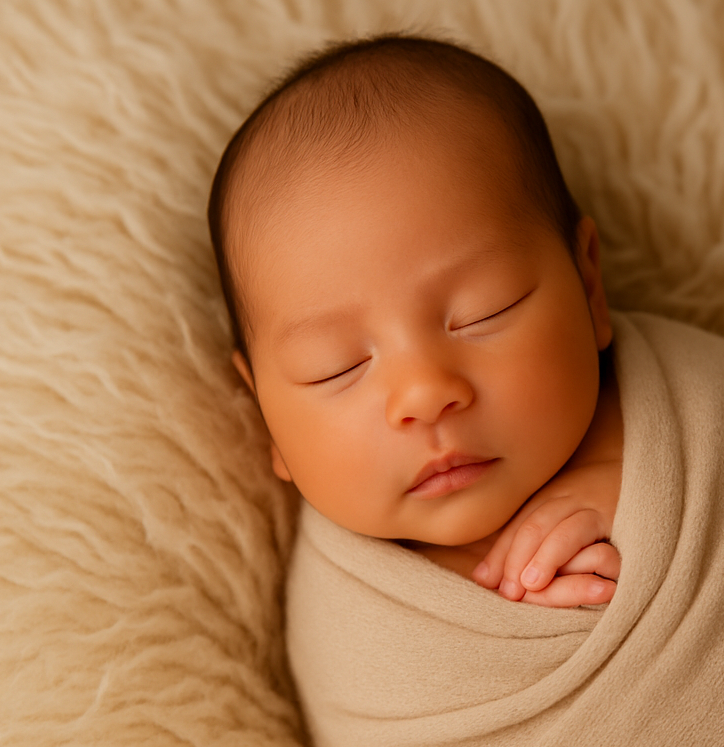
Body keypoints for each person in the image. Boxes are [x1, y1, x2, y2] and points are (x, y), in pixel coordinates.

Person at [209, 33, 622, 608]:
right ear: (265, 413)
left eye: (485, 311)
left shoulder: (682, 418)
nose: (424, 396)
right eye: (337, 367)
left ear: (588, 285)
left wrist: (635, 487)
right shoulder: (347, 622)